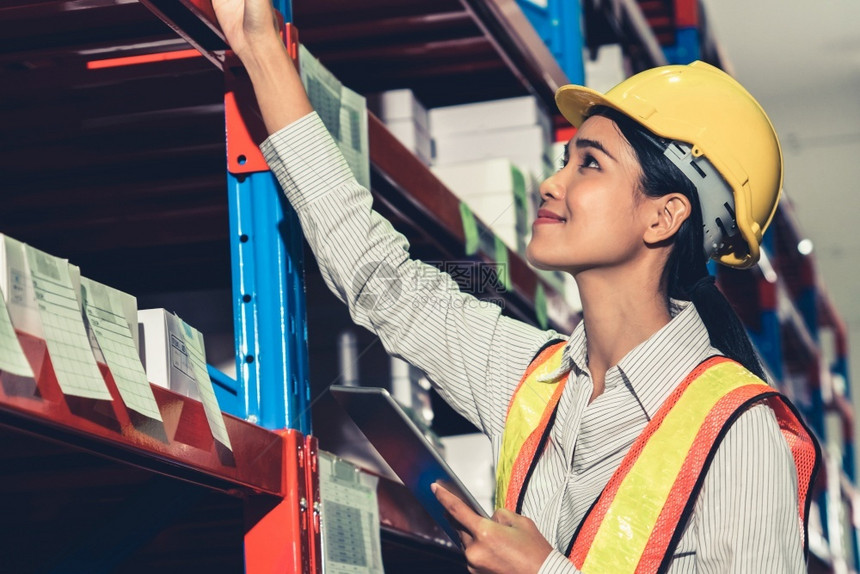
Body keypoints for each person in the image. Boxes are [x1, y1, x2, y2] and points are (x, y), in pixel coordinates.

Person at [211, 1, 819, 572]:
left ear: (664, 217)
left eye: (590, 163)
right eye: (564, 159)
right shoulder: (533, 382)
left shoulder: (740, 435)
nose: (552, 184)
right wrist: (263, 50)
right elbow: (382, 280)